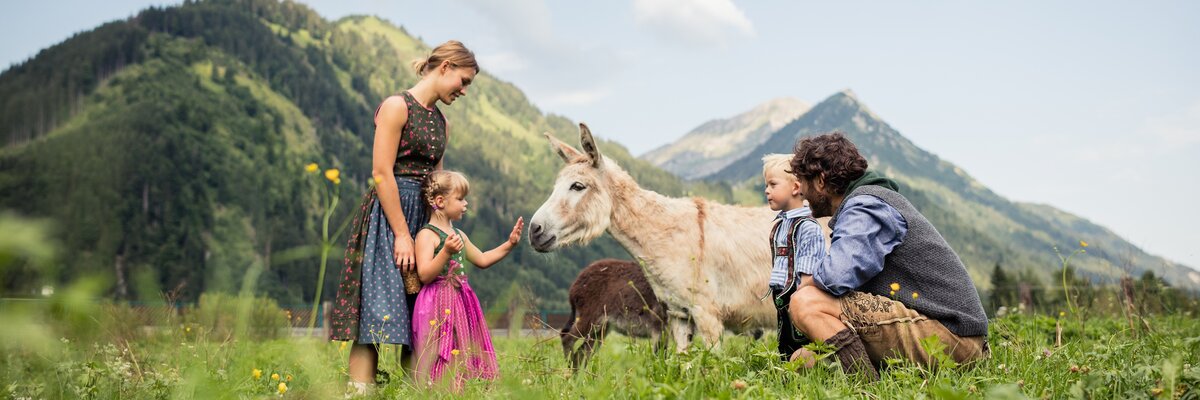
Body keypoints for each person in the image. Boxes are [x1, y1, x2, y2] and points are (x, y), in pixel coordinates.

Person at [328, 40, 479, 394]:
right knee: (377, 309)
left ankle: (416, 391)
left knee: (421, 306)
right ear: (445, 68)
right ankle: (360, 392)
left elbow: (437, 184)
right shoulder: (397, 107)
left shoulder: (442, 123)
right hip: (389, 215)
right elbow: (381, 172)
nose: (465, 90)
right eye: (464, 80)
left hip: (423, 220)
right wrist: (400, 233)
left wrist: (437, 231)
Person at [786, 132, 988, 381]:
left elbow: (837, 275)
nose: (801, 191)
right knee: (803, 362)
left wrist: (807, 284)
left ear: (820, 180)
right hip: (944, 334)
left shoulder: (866, 206)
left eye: (802, 181)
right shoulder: (868, 203)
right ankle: (870, 377)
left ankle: (867, 389)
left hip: (952, 337)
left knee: (806, 302)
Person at [411, 170, 524, 389]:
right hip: (436, 302)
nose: (466, 204)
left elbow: (481, 259)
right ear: (440, 201)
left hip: (462, 301)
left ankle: (464, 386)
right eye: (460, 199)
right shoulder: (427, 235)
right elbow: (424, 274)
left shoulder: (460, 235)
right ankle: (440, 388)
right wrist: (445, 252)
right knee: (441, 345)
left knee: (463, 343)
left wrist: (509, 244)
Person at [760, 154, 826, 361]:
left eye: (773, 184)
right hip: (782, 295)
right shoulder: (781, 225)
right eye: (766, 185)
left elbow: (808, 273)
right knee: (785, 339)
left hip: (798, 296)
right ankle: (787, 367)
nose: (766, 190)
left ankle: (807, 371)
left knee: (801, 340)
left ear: (796, 188)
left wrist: (800, 298)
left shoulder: (807, 227)